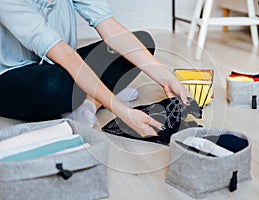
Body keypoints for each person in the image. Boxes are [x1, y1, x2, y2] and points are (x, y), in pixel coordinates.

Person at [0, 0, 191, 137]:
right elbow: (64, 55)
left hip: (64, 64)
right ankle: (95, 95)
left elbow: (111, 28)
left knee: (142, 42)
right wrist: (123, 112)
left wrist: (166, 77)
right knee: (55, 85)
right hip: (14, 76)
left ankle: (91, 100)